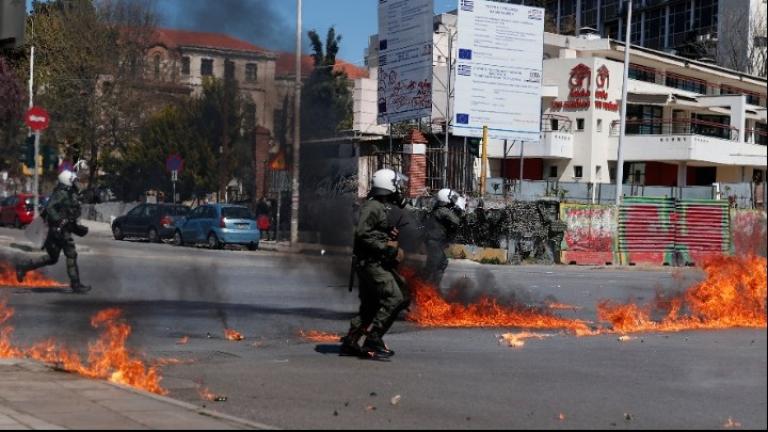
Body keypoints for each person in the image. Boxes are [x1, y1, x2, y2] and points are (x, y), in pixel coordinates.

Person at [340, 168, 410, 359]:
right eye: (396, 185)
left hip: (369, 263)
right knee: (396, 297)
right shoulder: (373, 207)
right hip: (372, 264)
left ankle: (351, 341)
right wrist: (386, 247)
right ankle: (374, 337)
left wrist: (388, 232)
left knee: (370, 307)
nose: (399, 189)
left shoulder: (376, 206)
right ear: (388, 186)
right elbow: (362, 233)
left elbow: (371, 231)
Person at [15, 170, 91, 294]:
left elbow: (70, 209)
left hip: (60, 229)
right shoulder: (61, 193)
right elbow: (50, 208)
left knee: (52, 258)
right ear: (67, 181)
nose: (75, 182)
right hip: (60, 231)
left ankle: (23, 267)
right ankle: (75, 284)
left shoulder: (69, 192)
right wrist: (60, 220)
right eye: (73, 180)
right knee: (71, 254)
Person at [421, 189, 466, 288]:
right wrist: (461, 211)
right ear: (446, 199)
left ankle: (432, 287)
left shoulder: (438, 209)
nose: (454, 201)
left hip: (435, 242)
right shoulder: (443, 211)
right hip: (434, 242)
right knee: (432, 266)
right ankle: (417, 285)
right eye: (452, 198)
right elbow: (457, 221)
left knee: (440, 263)